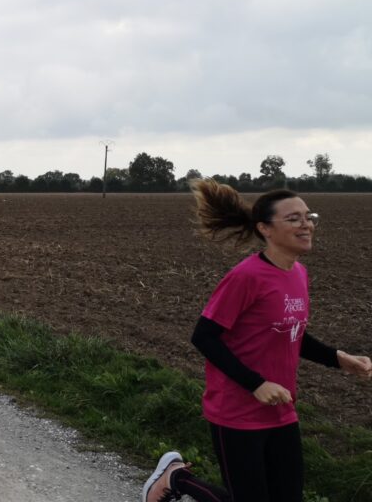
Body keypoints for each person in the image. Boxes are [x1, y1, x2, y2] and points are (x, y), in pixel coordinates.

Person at [142, 179, 372, 502]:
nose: (306, 224)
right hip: (235, 412)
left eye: (309, 217)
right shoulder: (246, 277)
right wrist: (256, 384)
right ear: (265, 229)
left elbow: (289, 333)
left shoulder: (298, 274)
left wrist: (339, 358)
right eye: (294, 218)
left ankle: (177, 477)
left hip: (281, 410)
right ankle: (176, 478)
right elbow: (204, 336)